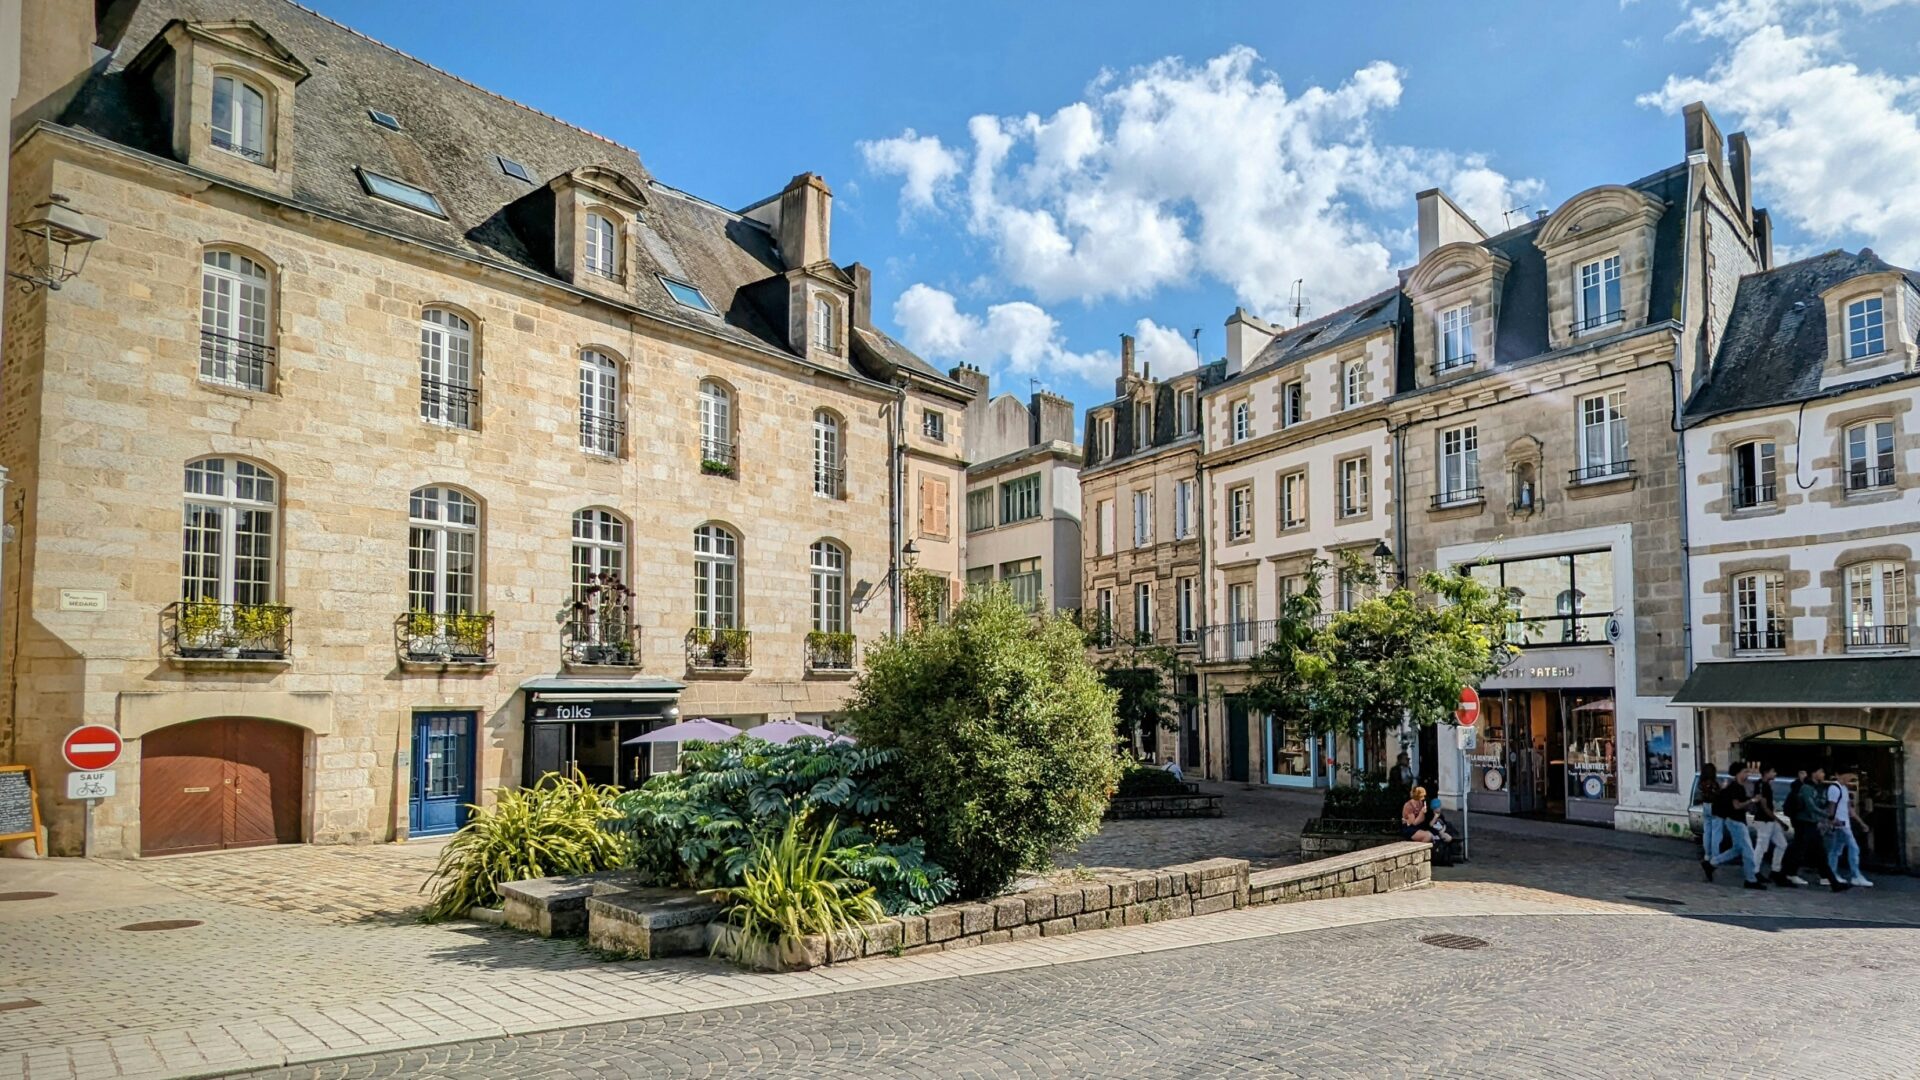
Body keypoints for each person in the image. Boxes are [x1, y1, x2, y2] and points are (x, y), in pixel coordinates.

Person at [1705, 763, 1765, 889]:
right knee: (1748, 852)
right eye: (1745, 771)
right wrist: (1752, 800)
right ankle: (1750, 879)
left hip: (1735, 821)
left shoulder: (1738, 787)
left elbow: (1740, 805)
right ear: (1738, 773)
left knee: (1737, 849)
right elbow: (1736, 806)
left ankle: (1712, 863)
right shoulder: (1735, 788)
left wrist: (1750, 803)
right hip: (1736, 822)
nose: (1747, 774)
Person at [1825, 769, 1872, 890]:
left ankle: (1832, 873)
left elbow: (1850, 810)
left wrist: (1861, 823)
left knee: (1836, 849)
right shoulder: (1835, 789)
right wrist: (1832, 819)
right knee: (1853, 848)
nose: (1849, 779)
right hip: (1840, 824)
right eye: (1848, 775)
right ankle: (1855, 875)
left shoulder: (1844, 789)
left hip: (1844, 824)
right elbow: (1831, 806)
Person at [1747, 765, 1794, 887]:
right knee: (1761, 846)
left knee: (1782, 844)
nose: (1775, 774)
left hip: (1769, 820)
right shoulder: (1762, 786)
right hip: (1764, 820)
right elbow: (1765, 807)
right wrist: (1779, 820)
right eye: (1773, 771)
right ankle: (1755, 871)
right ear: (1766, 772)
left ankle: (1775, 870)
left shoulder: (1765, 785)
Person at [1785, 766, 1831, 887]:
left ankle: (1825, 876)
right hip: (1804, 822)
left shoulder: (1816, 787)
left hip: (1811, 821)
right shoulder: (1806, 787)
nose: (1823, 774)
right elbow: (1811, 806)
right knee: (1801, 848)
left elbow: (1818, 803)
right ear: (1814, 773)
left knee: (1816, 849)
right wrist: (1827, 815)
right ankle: (1791, 873)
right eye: (1821, 771)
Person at [1695, 763, 1724, 863]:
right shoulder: (1714, 784)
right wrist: (1723, 787)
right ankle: (1715, 856)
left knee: (1707, 831)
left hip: (1705, 806)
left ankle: (1707, 854)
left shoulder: (1701, 783)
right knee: (1716, 833)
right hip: (1715, 807)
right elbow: (1718, 795)